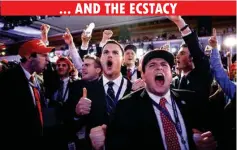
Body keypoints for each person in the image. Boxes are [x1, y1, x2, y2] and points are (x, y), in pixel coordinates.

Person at [106, 50, 216, 150]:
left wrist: (207, 143)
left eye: (164, 64)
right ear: (143, 75)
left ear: (170, 74)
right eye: (152, 65)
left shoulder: (191, 99)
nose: (159, 67)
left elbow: (212, 133)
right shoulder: (126, 106)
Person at [0, 39, 53, 149]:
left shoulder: (36, 79)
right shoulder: (7, 80)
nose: (48, 60)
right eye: (44, 55)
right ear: (29, 57)